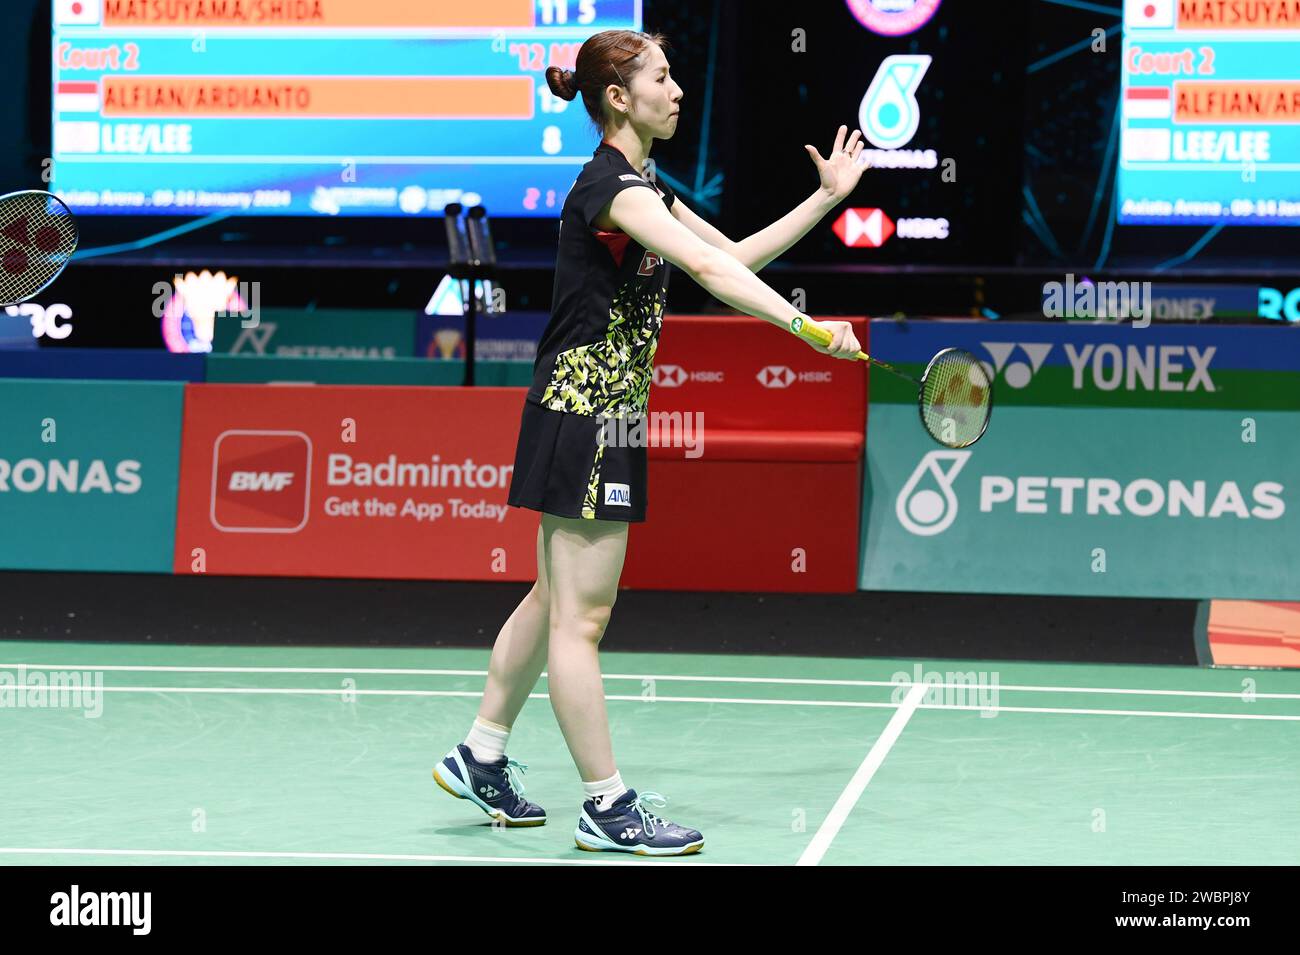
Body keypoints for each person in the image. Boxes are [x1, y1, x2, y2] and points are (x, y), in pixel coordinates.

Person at [434, 28, 867, 856]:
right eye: (662, 79)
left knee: (552, 598)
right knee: (583, 618)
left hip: (599, 411)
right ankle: (606, 804)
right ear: (618, 98)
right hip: (589, 413)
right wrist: (810, 330)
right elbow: (714, 276)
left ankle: (481, 752)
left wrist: (824, 200)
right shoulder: (613, 191)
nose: (677, 92)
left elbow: (728, 255)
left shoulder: (644, 189)